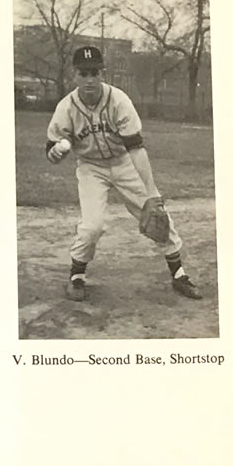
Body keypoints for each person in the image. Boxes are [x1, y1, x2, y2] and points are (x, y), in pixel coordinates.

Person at [46, 45, 202, 302]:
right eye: (83, 73)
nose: (89, 79)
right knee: (92, 226)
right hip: (90, 167)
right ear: (75, 75)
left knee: (157, 214)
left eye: (94, 72)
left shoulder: (118, 101)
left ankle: (179, 274)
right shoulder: (66, 108)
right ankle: (76, 275)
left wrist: (151, 193)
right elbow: (52, 147)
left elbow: (136, 149)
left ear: (102, 74)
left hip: (123, 162)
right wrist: (55, 153)